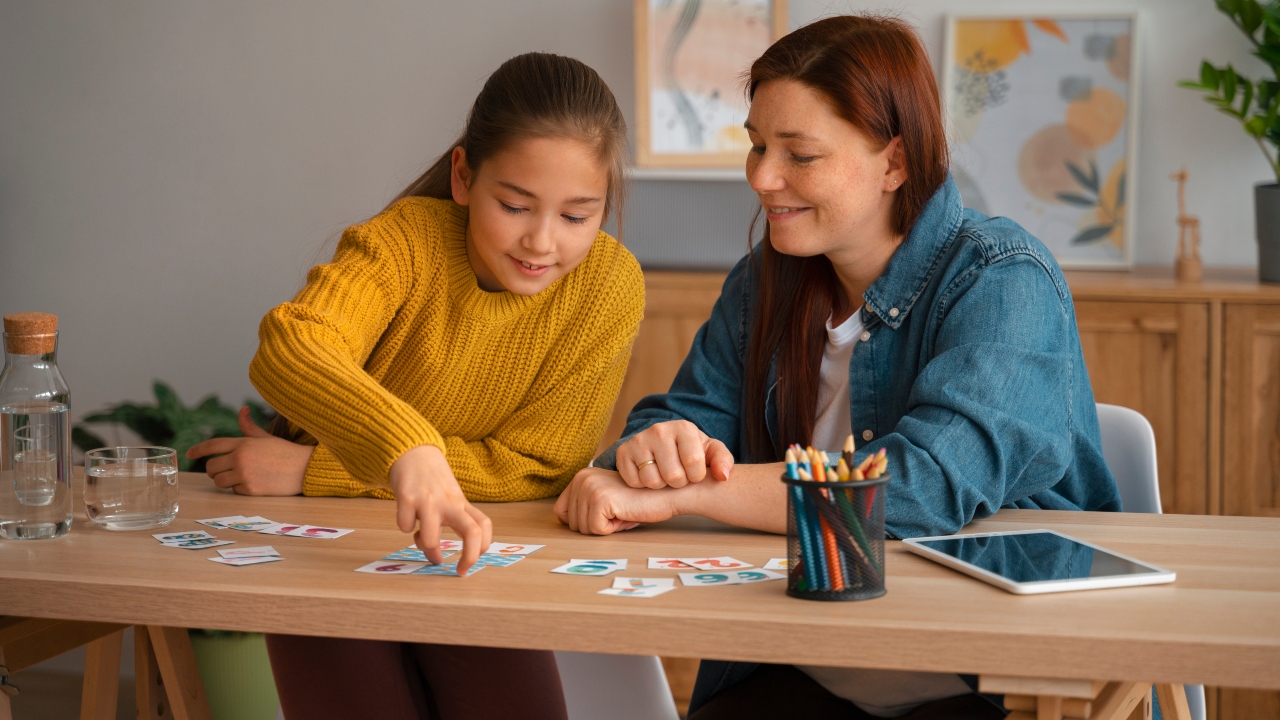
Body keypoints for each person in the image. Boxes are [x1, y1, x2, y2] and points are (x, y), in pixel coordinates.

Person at [553, 15, 1121, 720]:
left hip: (977, 683)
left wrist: (689, 494)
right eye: (757, 145)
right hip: (794, 668)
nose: (762, 177)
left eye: (800, 153)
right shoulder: (764, 282)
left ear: (895, 162)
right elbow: (685, 418)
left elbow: (921, 487)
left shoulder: (1004, 276)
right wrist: (654, 450)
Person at [187, 52, 643, 720]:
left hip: (476, 549)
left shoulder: (610, 286)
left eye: (578, 216)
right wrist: (408, 452)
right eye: (514, 205)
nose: (543, 242)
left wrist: (320, 469)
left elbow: (538, 467)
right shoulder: (404, 242)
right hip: (327, 546)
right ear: (463, 176)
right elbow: (291, 344)